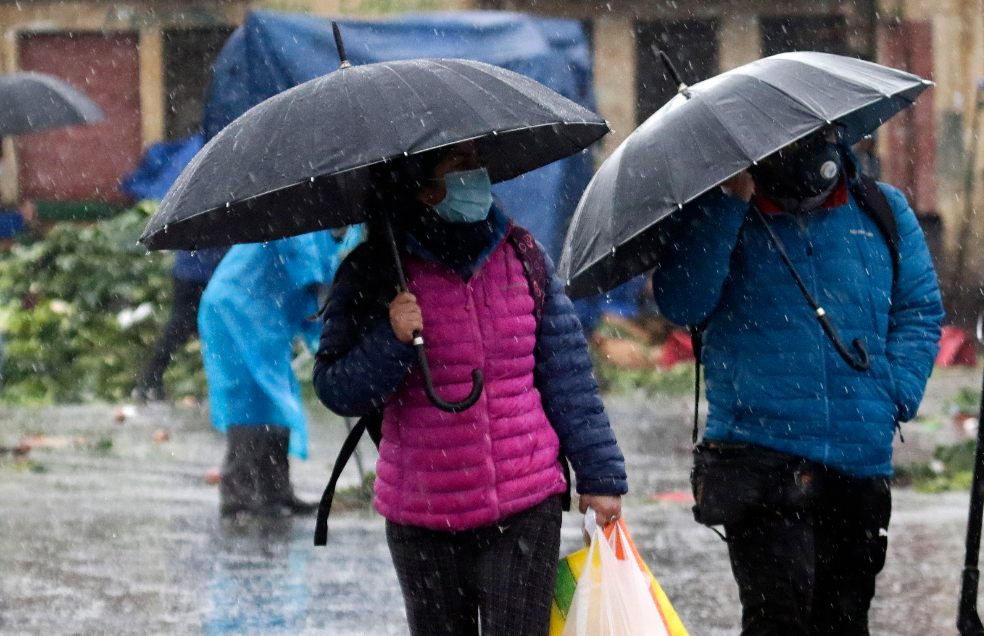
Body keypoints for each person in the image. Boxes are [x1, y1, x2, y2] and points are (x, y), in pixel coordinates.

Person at [312, 141, 627, 636]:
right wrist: (392, 340)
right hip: (422, 512)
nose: (475, 172)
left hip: (524, 505)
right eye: (458, 162)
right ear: (420, 184)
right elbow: (336, 389)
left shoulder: (523, 257)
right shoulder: (377, 272)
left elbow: (567, 378)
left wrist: (601, 477)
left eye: (478, 160)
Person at [652, 129, 944, 635]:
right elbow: (682, 303)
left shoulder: (882, 208)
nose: (801, 149)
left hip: (858, 458)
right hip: (758, 457)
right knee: (776, 620)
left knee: (844, 621)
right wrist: (728, 206)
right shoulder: (724, 210)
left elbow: (919, 310)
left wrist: (894, 392)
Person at [199, 229, 347, 517]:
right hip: (236, 309)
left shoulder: (318, 225)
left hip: (263, 313)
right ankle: (239, 494)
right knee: (248, 402)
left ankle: (275, 492)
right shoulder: (300, 218)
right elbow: (307, 269)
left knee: (274, 404)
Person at [134, 247, 227, 401]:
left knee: (180, 329)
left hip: (191, 272)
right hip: (201, 275)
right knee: (181, 329)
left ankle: (150, 380)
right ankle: (150, 380)